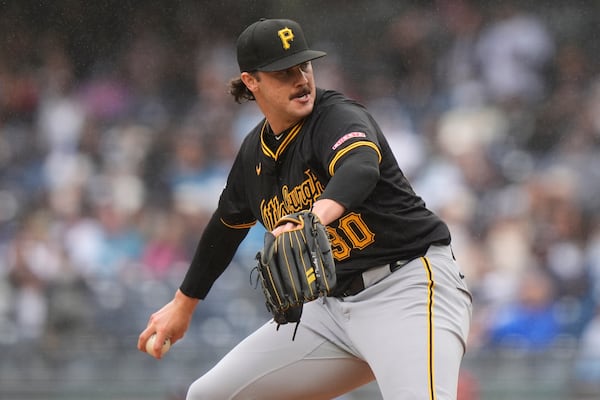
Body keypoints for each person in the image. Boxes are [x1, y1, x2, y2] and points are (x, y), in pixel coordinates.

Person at [138, 18, 472, 400]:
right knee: (209, 396)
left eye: (304, 65)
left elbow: (361, 165)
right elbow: (226, 227)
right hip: (332, 312)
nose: (300, 79)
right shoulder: (253, 155)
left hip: (408, 289)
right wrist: (183, 305)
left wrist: (314, 216)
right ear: (252, 81)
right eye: (284, 72)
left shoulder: (335, 116)